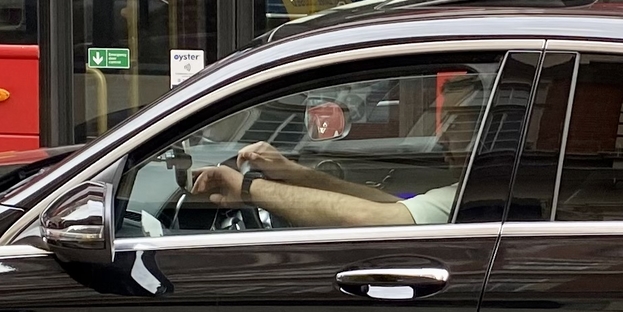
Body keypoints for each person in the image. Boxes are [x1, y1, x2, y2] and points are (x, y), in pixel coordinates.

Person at [188, 78, 485, 227]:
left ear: (488, 132)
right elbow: (399, 204)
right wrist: (293, 173)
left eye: (456, 121)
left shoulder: (487, 194)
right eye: (443, 121)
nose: (442, 134)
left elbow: (374, 217)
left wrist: (247, 188)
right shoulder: (471, 192)